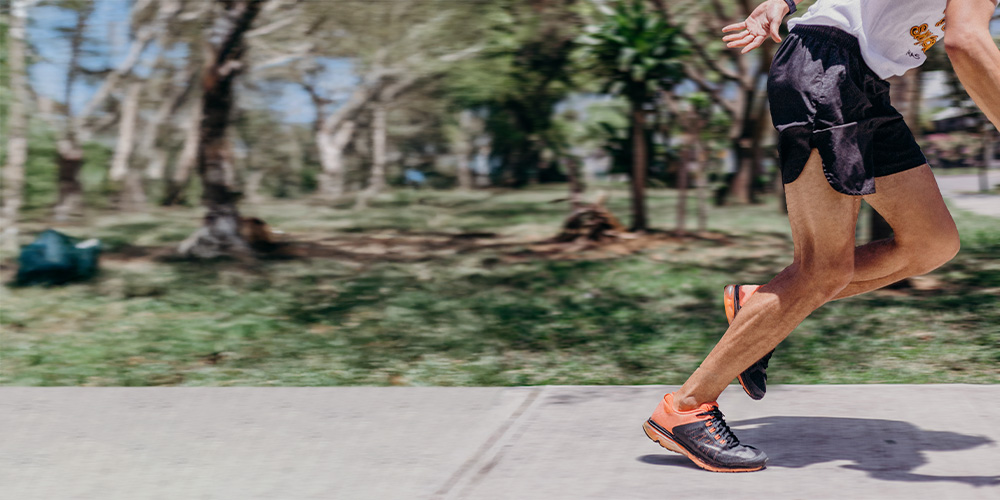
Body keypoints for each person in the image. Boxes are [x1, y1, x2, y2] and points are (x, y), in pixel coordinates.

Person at [643, 0, 1000, 473]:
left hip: (861, 83)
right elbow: (964, 40)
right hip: (826, 68)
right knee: (822, 269)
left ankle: (759, 305)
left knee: (932, 241)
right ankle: (684, 409)